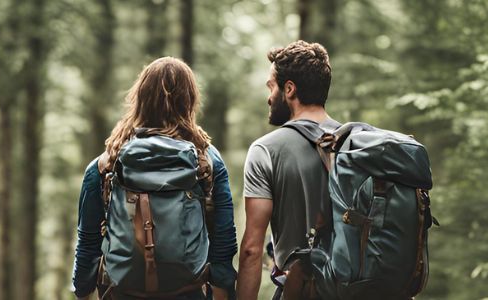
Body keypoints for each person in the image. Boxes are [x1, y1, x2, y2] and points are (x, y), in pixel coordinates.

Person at [70, 57, 238, 300]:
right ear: (189, 100)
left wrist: (83, 291)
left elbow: (87, 244)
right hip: (188, 292)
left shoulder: (106, 164)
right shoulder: (206, 161)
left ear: (140, 99)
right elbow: (223, 243)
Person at [236, 40, 340, 299]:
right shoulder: (353, 143)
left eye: (271, 87)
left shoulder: (265, 150)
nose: (269, 97)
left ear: (289, 89)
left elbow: (251, 250)